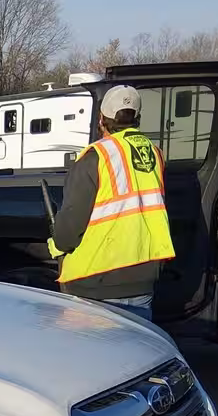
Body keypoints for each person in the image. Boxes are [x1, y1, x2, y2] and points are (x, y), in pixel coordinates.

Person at [48, 86, 175, 320]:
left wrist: (56, 245)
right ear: (137, 118)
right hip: (143, 277)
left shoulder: (96, 156)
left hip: (96, 282)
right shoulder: (155, 153)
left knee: (94, 355)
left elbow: (69, 230)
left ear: (101, 119)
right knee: (134, 351)